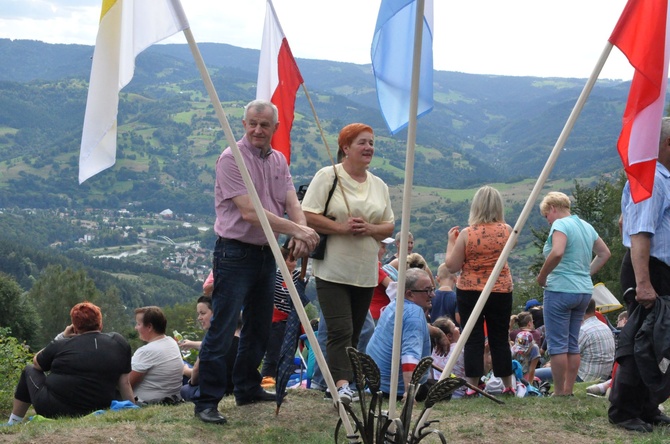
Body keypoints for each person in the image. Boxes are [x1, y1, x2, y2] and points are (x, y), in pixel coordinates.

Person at [195, 100, 319, 424]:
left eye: (265, 125)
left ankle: (247, 387)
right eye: (253, 123)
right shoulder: (230, 159)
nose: (258, 130)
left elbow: (292, 200)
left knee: (259, 326)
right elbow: (250, 214)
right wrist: (299, 230)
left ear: (275, 129)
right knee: (222, 327)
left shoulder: (278, 160)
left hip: (267, 253)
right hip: (234, 253)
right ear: (243, 123)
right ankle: (206, 401)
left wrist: (300, 231)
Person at [302, 122, 394, 404]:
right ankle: (339, 385)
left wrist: (369, 229)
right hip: (333, 268)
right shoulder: (328, 176)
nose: (368, 148)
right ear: (345, 148)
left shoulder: (379, 185)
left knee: (355, 331)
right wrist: (341, 228)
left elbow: (389, 225)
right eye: (362, 143)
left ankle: (346, 382)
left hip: (365, 271)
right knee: (339, 329)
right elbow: (306, 215)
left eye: (371, 143)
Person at [608, 117, 670, 433]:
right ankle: (623, 410)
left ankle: (647, 407)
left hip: (656, 269)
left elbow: (627, 223)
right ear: (667, 144)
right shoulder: (652, 179)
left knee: (659, 342)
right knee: (641, 341)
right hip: (648, 270)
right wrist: (643, 282)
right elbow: (640, 233)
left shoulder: (659, 178)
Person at [6, 302, 134, 424]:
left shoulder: (61, 344)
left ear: (75, 327)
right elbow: (124, 382)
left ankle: (13, 422)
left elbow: (37, 363)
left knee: (29, 370)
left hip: (54, 409)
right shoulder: (118, 342)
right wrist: (132, 408)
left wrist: (62, 336)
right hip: (100, 405)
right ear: (100, 324)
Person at [536, 191, 610, 396]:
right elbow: (605, 253)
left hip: (560, 289)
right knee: (571, 343)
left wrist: (542, 276)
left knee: (558, 344)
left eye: (546, 216)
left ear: (553, 208)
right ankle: (568, 389)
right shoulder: (586, 226)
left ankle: (559, 391)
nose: (547, 221)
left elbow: (557, 252)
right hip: (584, 291)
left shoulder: (560, 225)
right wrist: (586, 273)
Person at [445, 185, 516, 396]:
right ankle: (508, 385)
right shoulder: (508, 230)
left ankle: (472, 386)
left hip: (470, 289)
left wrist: (451, 242)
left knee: (472, 336)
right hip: (501, 288)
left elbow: (452, 266)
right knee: (500, 337)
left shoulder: (467, 234)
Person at [366, 268, 433, 401]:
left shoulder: (394, 304)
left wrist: (438, 333)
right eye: (427, 290)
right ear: (410, 294)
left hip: (374, 384)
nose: (432, 295)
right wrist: (409, 393)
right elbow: (410, 356)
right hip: (395, 390)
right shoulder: (414, 314)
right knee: (446, 391)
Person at [261, 243, 308, 382]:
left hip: (293, 322)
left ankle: (283, 381)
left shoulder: (299, 277)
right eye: (290, 260)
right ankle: (267, 380)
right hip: (276, 323)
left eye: (294, 260)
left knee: (288, 355)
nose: (293, 264)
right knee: (273, 355)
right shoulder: (275, 277)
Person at [181, 299, 240, 402]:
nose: (199, 318)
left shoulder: (210, 343)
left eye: (203, 313)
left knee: (185, 389)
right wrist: (192, 344)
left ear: (216, 313)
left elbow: (196, 371)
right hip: (236, 387)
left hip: (216, 390)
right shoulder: (240, 338)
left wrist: (187, 373)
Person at [130, 306, 184, 404]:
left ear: (149, 327)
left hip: (148, 401)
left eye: (138, 324)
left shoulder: (146, 351)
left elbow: (127, 384)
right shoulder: (171, 342)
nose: (136, 327)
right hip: (173, 398)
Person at [430, 316, 466, 399]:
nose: (458, 328)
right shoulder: (461, 350)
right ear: (449, 336)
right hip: (460, 393)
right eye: (455, 327)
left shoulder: (434, 352)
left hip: (440, 392)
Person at [370, 237, 395, 323]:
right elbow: (393, 286)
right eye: (383, 247)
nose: (385, 251)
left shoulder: (375, 265)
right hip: (378, 315)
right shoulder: (374, 266)